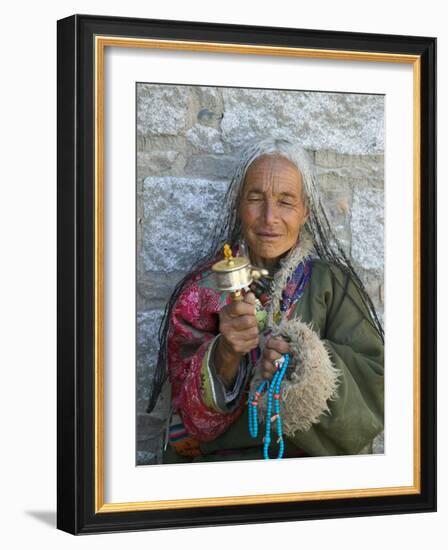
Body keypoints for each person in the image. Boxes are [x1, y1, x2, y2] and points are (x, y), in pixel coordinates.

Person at [146, 138, 384, 463]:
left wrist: (302, 360)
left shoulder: (333, 286)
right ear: (239, 206)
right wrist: (226, 354)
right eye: (256, 198)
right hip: (220, 470)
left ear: (305, 212)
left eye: (286, 202)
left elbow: (377, 385)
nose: (269, 217)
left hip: (310, 469)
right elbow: (187, 416)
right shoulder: (201, 291)